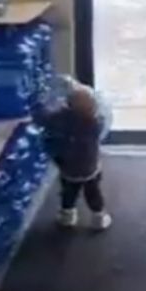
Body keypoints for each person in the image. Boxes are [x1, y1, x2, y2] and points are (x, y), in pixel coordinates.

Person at [37, 79, 112, 231]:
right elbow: (103, 115)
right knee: (93, 193)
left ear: (67, 105)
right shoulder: (95, 123)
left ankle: (67, 216)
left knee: (68, 194)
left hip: (67, 168)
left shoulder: (60, 119)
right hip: (90, 167)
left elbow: (45, 119)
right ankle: (99, 218)